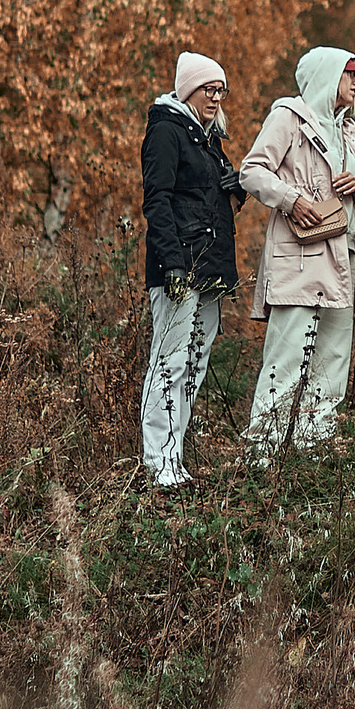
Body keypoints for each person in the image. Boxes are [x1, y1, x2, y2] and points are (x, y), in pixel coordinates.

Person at [238, 47, 355, 453]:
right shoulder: (288, 117)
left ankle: (312, 449)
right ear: (326, 75)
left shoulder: (350, 131)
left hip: (346, 258)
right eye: (350, 74)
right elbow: (251, 171)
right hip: (300, 259)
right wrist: (291, 200)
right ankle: (262, 453)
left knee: (332, 361)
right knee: (286, 359)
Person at [138, 52, 244, 487]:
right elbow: (157, 200)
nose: (215, 98)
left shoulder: (207, 139)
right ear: (188, 91)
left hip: (208, 269)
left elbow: (205, 203)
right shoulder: (167, 131)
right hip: (178, 270)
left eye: (221, 91)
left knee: (194, 365)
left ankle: (173, 458)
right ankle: (157, 461)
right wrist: (173, 265)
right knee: (170, 362)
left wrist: (235, 189)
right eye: (208, 89)